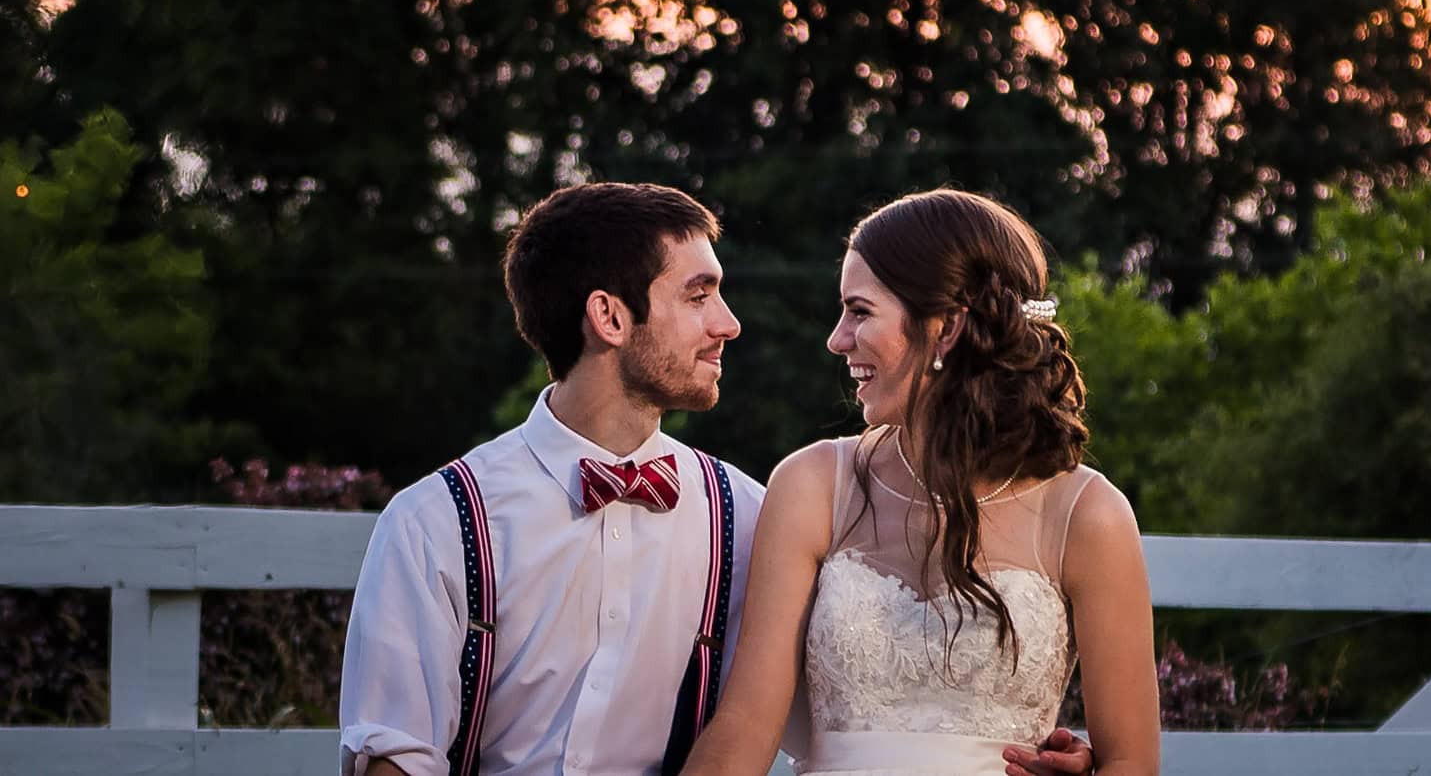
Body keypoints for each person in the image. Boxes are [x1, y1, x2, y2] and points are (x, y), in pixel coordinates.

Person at [337, 180, 1093, 776]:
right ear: (608, 315)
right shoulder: (436, 522)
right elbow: (394, 757)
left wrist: (1057, 749)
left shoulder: (750, 514)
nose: (730, 322)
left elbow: (852, 708)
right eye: (699, 295)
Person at [676, 188, 1160, 776]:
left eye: (859, 311)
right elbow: (745, 725)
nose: (837, 339)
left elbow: (1131, 762)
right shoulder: (811, 485)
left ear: (947, 326)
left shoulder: (1087, 513)